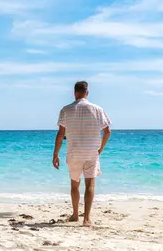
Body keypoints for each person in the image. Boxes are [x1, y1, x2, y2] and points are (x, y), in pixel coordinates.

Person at [52, 81, 111, 227]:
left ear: (74, 92)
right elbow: (107, 132)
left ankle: (74, 214)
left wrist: (55, 154)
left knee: (74, 185)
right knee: (90, 184)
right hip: (91, 152)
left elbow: (60, 134)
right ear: (87, 92)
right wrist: (100, 149)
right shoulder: (98, 109)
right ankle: (87, 219)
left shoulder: (66, 109)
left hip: (74, 152)